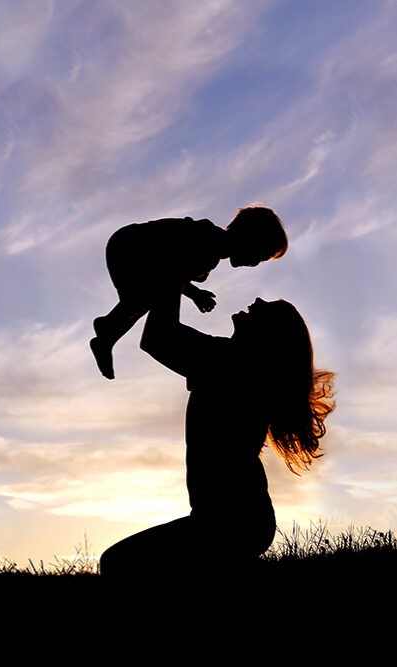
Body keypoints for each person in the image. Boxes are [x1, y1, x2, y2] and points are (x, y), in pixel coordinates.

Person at [98, 290, 334, 582]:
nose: (258, 302)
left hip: (230, 524)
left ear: (269, 336)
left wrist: (171, 274)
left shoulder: (229, 360)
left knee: (118, 563)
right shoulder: (232, 360)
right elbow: (158, 337)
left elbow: (158, 337)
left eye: (268, 309)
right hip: (239, 522)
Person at [90, 205, 288, 379]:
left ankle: (108, 329)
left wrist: (195, 294)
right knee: (150, 296)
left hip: (133, 250)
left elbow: (175, 275)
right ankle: (108, 328)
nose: (255, 264)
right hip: (130, 248)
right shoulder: (206, 241)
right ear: (249, 238)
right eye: (260, 256)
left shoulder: (210, 252)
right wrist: (193, 294)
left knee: (146, 297)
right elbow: (172, 272)